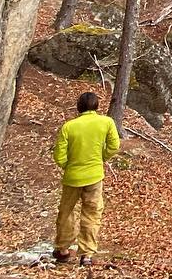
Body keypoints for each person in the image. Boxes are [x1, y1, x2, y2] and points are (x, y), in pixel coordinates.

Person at [51, 90, 120, 266]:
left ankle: (63, 249)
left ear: (78, 107)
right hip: (94, 176)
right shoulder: (106, 122)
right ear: (97, 106)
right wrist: (101, 158)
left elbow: (59, 155)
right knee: (92, 214)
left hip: (72, 178)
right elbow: (114, 146)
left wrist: (67, 165)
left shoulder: (69, 126)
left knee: (66, 213)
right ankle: (87, 254)